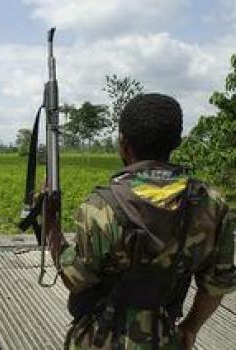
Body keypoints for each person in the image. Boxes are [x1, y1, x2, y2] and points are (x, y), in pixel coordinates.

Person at [58, 93, 236, 349]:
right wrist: (190, 327)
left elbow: (76, 280)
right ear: (176, 142)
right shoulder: (211, 204)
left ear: (123, 143)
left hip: (100, 340)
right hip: (164, 337)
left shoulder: (100, 206)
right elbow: (217, 285)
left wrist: (53, 233)